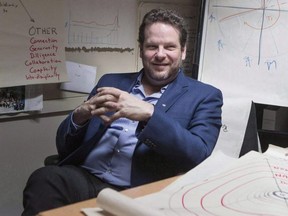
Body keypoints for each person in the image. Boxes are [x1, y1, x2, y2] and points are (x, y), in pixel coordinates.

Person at [22, 8, 223, 215]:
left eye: (169, 47)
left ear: (183, 51)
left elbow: (199, 154)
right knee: (45, 178)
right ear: (141, 49)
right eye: (152, 46)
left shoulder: (205, 96)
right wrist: (79, 115)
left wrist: (150, 114)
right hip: (86, 177)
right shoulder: (111, 81)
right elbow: (64, 147)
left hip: (140, 191)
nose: (160, 54)